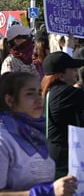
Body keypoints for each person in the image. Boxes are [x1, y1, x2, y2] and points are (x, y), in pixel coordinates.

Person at [0, 71, 77, 195]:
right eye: (30, 94)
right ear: (10, 100)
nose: (39, 99)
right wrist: (46, 192)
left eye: (39, 92)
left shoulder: (38, 134)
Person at [42, 51, 84, 179]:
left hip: (62, 159)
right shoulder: (63, 94)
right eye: (72, 69)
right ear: (61, 76)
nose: (76, 72)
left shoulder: (53, 92)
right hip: (65, 165)